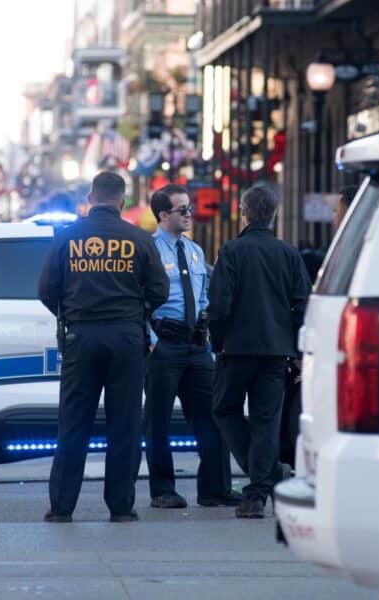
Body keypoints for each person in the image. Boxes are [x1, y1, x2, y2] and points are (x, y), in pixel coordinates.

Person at [38, 171, 169, 523]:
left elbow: (46, 290)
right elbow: (160, 291)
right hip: (126, 339)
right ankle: (121, 507)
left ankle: (62, 507)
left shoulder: (66, 238)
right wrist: (136, 311)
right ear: (122, 201)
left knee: (74, 422)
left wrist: (69, 313)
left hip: (81, 337)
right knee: (124, 424)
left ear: (91, 198)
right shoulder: (139, 239)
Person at [209, 184, 311, 519]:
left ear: (244, 211)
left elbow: (219, 305)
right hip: (275, 352)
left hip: (236, 350)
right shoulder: (288, 254)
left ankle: (260, 472)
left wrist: (217, 341)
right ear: (274, 214)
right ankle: (257, 491)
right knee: (267, 420)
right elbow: (302, 305)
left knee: (224, 409)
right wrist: (298, 350)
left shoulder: (232, 251)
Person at [144, 184, 241, 509]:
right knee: (158, 420)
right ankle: (162, 490)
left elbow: (202, 297)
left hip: (196, 346)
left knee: (213, 415)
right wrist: (152, 340)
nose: (189, 214)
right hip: (165, 343)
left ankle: (214, 488)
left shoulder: (195, 250)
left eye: (189, 208)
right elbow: (140, 300)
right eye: (181, 209)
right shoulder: (151, 250)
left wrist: (208, 335)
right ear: (162, 215)